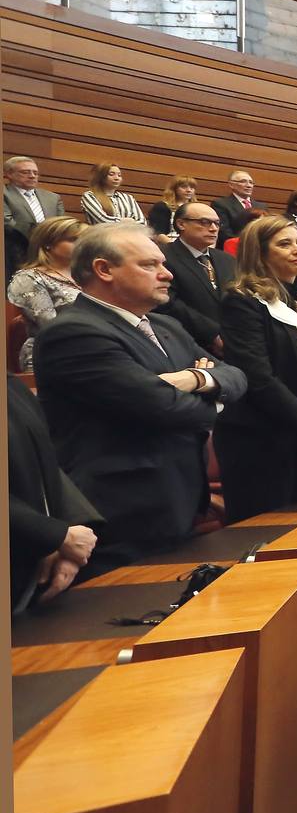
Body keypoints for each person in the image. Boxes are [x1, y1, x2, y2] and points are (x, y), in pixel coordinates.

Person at [36, 222, 246, 565]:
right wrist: (214, 390)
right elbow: (164, 407)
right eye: (150, 265)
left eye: (162, 264)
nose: (167, 275)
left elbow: (237, 376)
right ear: (104, 269)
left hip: (179, 499)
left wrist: (194, 379)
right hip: (122, 511)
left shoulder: (167, 326)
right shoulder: (75, 332)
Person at [212, 215, 297, 522]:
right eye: (284, 244)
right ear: (259, 253)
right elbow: (257, 374)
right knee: (265, 536)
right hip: (261, 438)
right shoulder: (242, 301)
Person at [9, 373, 101, 612]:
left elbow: (44, 462)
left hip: (35, 566)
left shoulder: (10, 385)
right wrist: (55, 535)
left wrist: (67, 538)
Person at [7, 216, 85, 371]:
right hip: (52, 355)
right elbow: (51, 326)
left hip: (94, 349)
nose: (82, 245)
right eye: (74, 239)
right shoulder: (29, 278)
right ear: (48, 243)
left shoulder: (89, 275)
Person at [156, 201, 231, 351]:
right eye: (204, 222)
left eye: (217, 223)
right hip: (185, 342)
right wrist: (211, 333)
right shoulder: (162, 257)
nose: (213, 228)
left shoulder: (228, 260)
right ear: (181, 224)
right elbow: (167, 302)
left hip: (232, 341)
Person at [4, 155, 64, 275]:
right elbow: (7, 222)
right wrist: (39, 239)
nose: (32, 176)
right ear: (9, 174)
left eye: (35, 173)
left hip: (49, 254)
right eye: (25, 172)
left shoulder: (53, 197)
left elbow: (61, 224)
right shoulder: (4, 193)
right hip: (16, 251)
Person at [79, 162, 146, 227]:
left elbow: (142, 222)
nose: (117, 178)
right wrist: (127, 221)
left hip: (129, 236)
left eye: (119, 175)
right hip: (102, 236)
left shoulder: (128, 198)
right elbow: (103, 220)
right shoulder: (90, 196)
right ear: (101, 177)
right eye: (111, 174)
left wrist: (120, 223)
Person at [210, 170, 260, 246]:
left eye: (251, 182)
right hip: (234, 248)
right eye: (243, 181)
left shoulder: (261, 206)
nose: (249, 185)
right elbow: (224, 232)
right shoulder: (221, 204)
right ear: (231, 185)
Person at [146, 175, 196, 240]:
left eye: (192, 188)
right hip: (169, 244)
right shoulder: (162, 206)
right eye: (184, 187)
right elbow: (157, 233)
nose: (189, 190)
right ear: (174, 189)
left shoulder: (197, 209)